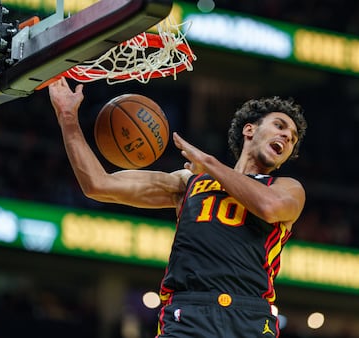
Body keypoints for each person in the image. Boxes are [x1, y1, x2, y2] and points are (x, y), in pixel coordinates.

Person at [48, 78, 307, 338]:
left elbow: (270, 207)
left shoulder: (285, 187)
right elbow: (98, 184)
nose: (286, 136)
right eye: (279, 126)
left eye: (292, 138)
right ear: (249, 130)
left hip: (250, 317)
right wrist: (68, 116)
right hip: (187, 314)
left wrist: (209, 164)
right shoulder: (189, 182)